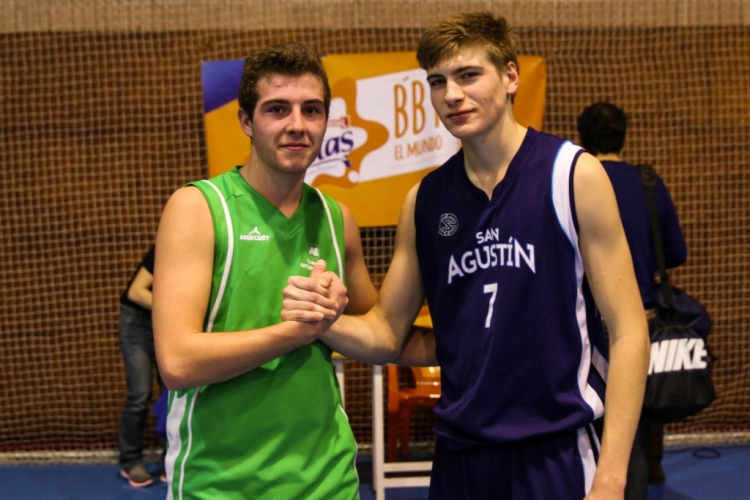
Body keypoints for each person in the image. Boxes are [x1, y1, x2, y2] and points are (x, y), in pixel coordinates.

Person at [282, 12, 650, 500]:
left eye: (468, 75)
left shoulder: (572, 175)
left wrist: (611, 478)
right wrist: (322, 319)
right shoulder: (424, 201)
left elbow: (629, 333)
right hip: (459, 457)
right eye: (437, 81)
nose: (452, 94)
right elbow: (387, 334)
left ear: (511, 76)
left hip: (557, 452)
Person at [151, 42, 377, 499]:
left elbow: (377, 331)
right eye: (277, 109)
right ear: (246, 121)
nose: (297, 124)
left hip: (328, 480)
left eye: (311, 110)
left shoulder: (337, 218)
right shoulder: (198, 208)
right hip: (220, 485)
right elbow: (177, 362)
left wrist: (334, 314)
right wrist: (295, 332)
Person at [577, 101, 687, 498]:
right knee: (633, 431)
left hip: (588, 325)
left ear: (582, 138)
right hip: (642, 318)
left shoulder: (575, 182)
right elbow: (675, 251)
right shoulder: (647, 183)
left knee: (590, 427)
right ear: (623, 137)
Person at [117, 244, 166, 487]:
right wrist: (176, 310)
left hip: (166, 323)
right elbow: (136, 292)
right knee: (140, 393)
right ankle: (130, 460)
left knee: (174, 394)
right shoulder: (165, 248)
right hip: (138, 323)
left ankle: (171, 459)